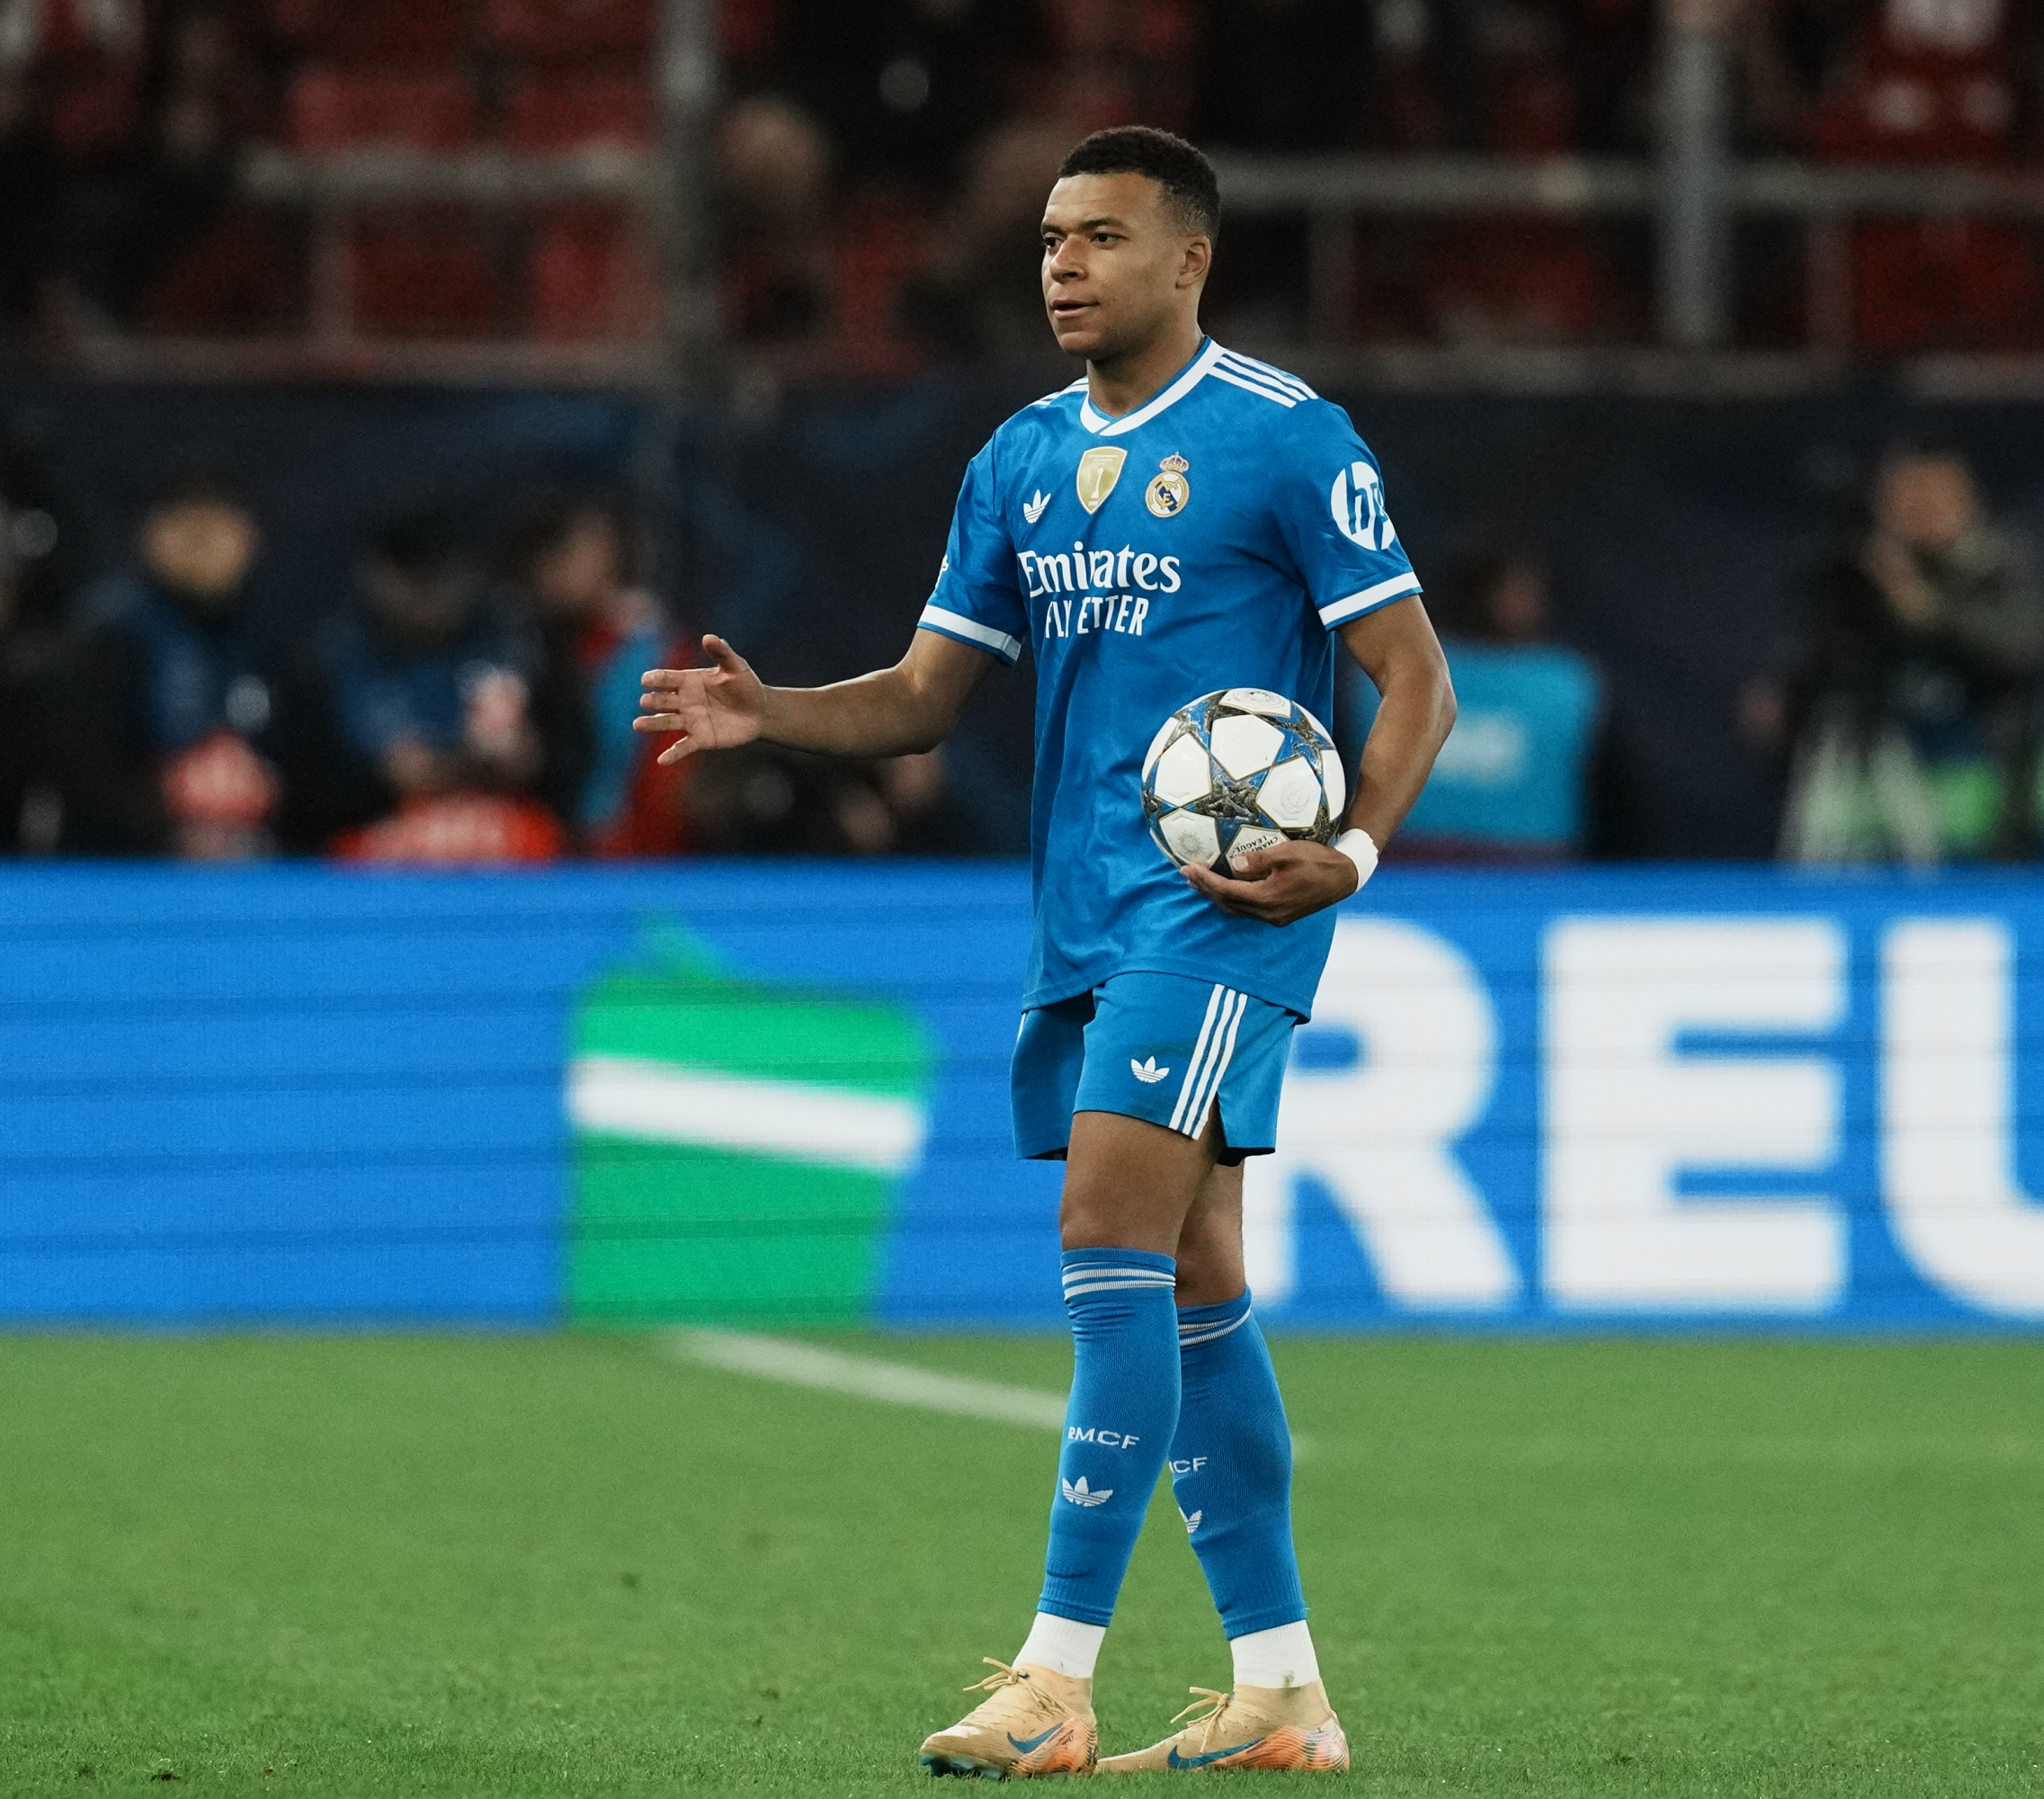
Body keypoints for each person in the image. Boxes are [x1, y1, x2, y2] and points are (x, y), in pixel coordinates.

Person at [636, 126, 1455, 1778]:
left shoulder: (1290, 443)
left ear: (1187, 261)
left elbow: (1416, 678)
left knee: (1104, 1230)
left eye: (1100, 236)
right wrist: (767, 713)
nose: (1063, 264)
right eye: (1048, 238)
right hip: (1077, 910)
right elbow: (927, 696)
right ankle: (1282, 1688)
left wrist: (1349, 854)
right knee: (1201, 1277)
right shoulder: (1015, 459)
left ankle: (1053, 1674)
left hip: (1221, 913)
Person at [1758, 435, 2044, 865]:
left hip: (1997, 791)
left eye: (1934, 496)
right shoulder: (1863, 579)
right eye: (1907, 496)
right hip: (1886, 808)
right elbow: (1832, 664)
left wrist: (1926, 612)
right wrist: (1792, 702)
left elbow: (2023, 654)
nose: (1921, 511)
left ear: (1967, 500)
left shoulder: (2001, 566)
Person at [289, 506, 558, 864]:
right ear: (381, 578)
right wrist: (376, 779)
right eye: (419, 581)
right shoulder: (333, 655)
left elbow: (566, 759)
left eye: (445, 579)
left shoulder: (509, 637)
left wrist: (530, 758)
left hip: (502, 825)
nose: (434, 597)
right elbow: (307, 792)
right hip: (376, 837)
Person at [51, 465, 287, 858]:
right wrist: (166, 803)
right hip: (125, 872)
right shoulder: (106, 635)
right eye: (189, 531)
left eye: (219, 530)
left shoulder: (271, 642)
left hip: (251, 869)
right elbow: (81, 783)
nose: (205, 547)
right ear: (150, 537)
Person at [1346, 542, 1605, 859]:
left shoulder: (1566, 683)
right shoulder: (1398, 671)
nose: (1516, 602)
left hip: (1533, 866)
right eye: (1505, 588)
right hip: (1404, 862)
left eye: (1525, 589)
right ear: (1474, 591)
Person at [505, 491, 691, 855]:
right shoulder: (522, 645)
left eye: (565, 553)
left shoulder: (656, 653)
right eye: (541, 557)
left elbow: (665, 784)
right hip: (557, 851)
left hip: (634, 859)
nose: (549, 570)